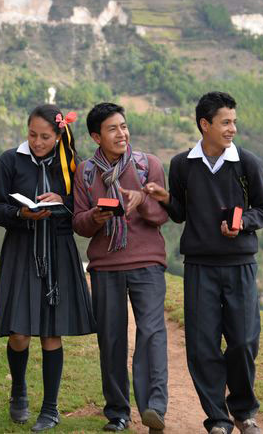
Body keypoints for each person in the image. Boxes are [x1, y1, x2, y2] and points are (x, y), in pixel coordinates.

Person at [145, 91, 263, 434]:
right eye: (225, 122)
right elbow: (181, 214)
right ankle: (217, 418)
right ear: (205, 124)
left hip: (240, 265)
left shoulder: (248, 164)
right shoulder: (182, 164)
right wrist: (167, 198)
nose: (232, 128)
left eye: (234, 121)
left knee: (244, 340)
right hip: (199, 266)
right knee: (202, 345)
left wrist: (242, 223)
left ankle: (243, 412)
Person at [0, 104, 95, 432]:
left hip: (59, 250)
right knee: (19, 332)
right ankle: (18, 390)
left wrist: (61, 201)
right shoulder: (10, 160)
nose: (37, 142)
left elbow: (82, 208)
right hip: (22, 249)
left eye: (45, 136)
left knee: (51, 332)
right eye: (32, 135)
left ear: (59, 134)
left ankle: (50, 409)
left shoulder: (73, 166)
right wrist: (21, 214)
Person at [73, 102, 169, 434]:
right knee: (111, 338)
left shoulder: (148, 165)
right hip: (106, 264)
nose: (122, 134)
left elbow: (162, 216)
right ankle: (117, 412)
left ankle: (154, 406)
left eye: (124, 126)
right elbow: (79, 222)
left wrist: (144, 202)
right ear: (96, 136)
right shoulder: (85, 172)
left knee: (152, 332)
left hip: (148, 262)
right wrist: (96, 218)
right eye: (113, 129)